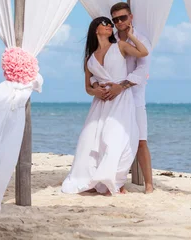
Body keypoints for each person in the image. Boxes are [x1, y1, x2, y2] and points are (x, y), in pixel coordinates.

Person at [61, 16, 149, 195]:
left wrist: (130, 36)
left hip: (121, 98)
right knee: (94, 141)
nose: (110, 26)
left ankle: (115, 180)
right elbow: (87, 87)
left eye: (111, 24)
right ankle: (96, 179)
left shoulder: (120, 46)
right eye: (105, 24)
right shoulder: (90, 58)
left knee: (116, 138)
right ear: (96, 29)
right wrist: (97, 91)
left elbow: (143, 52)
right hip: (100, 103)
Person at [94, 2, 154, 194]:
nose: (119, 21)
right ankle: (115, 181)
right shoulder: (109, 40)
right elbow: (98, 64)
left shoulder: (141, 40)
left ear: (131, 17)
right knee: (110, 139)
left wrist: (123, 86)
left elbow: (143, 69)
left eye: (123, 17)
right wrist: (98, 87)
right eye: (116, 19)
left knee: (141, 140)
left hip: (135, 97)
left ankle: (149, 184)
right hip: (111, 97)